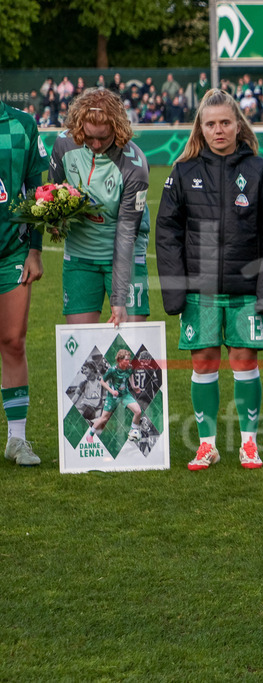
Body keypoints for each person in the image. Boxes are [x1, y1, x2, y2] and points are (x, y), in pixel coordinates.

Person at [155, 89, 263, 470]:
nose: (218, 130)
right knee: (204, 362)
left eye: (225, 122)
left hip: (246, 289)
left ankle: (249, 443)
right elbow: (167, 233)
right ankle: (207, 444)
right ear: (201, 127)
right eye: (210, 124)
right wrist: (176, 291)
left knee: (244, 361)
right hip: (200, 289)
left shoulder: (261, 171)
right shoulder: (183, 171)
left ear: (238, 124)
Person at [50, 88, 150, 326]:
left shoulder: (135, 165)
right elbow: (52, 193)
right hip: (79, 256)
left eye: (103, 138)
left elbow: (127, 233)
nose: (95, 144)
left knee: (133, 347)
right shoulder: (63, 144)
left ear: (117, 129)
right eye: (89, 136)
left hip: (125, 255)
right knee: (81, 348)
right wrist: (54, 221)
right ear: (79, 125)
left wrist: (119, 297)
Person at [0, 97, 49, 466]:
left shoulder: (22, 124)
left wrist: (35, 250)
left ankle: (17, 440)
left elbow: (36, 192)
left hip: (12, 251)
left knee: (13, 342)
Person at [83, 349, 142, 445]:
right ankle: (90, 435)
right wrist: (111, 391)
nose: (128, 361)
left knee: (138, 411)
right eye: (126, 360)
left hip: (124, 395)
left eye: (129, 359)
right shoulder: (112, 370)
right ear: (119, 360)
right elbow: (102, 381)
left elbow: (130, 374)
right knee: (104, 418)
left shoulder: (130, 367)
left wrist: (134, 386)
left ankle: (133, 433)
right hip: (112, 397)